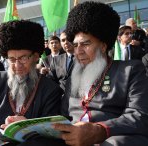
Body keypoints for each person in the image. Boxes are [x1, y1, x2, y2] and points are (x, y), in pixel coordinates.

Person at [52, 1, 148, 146]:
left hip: (111, 138)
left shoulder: (131, 71)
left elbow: (139, 116)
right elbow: (64, 116)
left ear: (103, 46)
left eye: (85, 44)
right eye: (76, 45)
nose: (78, 51)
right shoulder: (73, 77)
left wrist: (100, 130)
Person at [0, 20, 63, 146]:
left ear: (36, 56)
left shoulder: (51, 89)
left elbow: (51, 132)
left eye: (23, 58)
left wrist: (28, 126)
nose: (17, 65)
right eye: (12, 59)